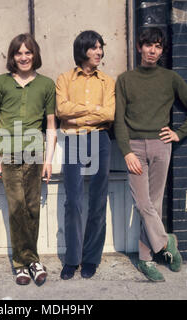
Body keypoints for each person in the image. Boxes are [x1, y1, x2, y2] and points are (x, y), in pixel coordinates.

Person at [114, 27, 187, 282]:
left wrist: (178, 133)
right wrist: (126, 151)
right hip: (136, 148)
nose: (153, 51)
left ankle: (146, 259)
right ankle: (166, 241)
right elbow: (118, 120)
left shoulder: (170, 78)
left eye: (158, 46)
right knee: (143, 204)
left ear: (162, 50)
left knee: (153, 204)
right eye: (148, 45)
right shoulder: (125, 79)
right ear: (139, 47)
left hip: (161, 146)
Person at [0, 33, 56, 286]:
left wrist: (48, 159)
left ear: (35, 54)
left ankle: (32, 260)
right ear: (12, 57)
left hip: (35, 153)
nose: (24, 57)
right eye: (19, 53)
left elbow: (50, 125)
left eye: (28, 52)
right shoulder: (0, 83)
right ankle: (21, 263)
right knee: (17, 208)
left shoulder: (47, 84)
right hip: (9, 152)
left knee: (33, 208)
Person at [56, 30, 115, 280]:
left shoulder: (107, 81)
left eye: (101, 47)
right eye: (94, 48)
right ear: (82, 50)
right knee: (74, 201)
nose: (99, 52)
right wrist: (94, 110)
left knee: (98, 200)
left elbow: (110, 114)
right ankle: (72, 259)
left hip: (100, 139)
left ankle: (91, 258)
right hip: (74, 139)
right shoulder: (64, 79)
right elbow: (62, 110)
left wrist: (80, 114)